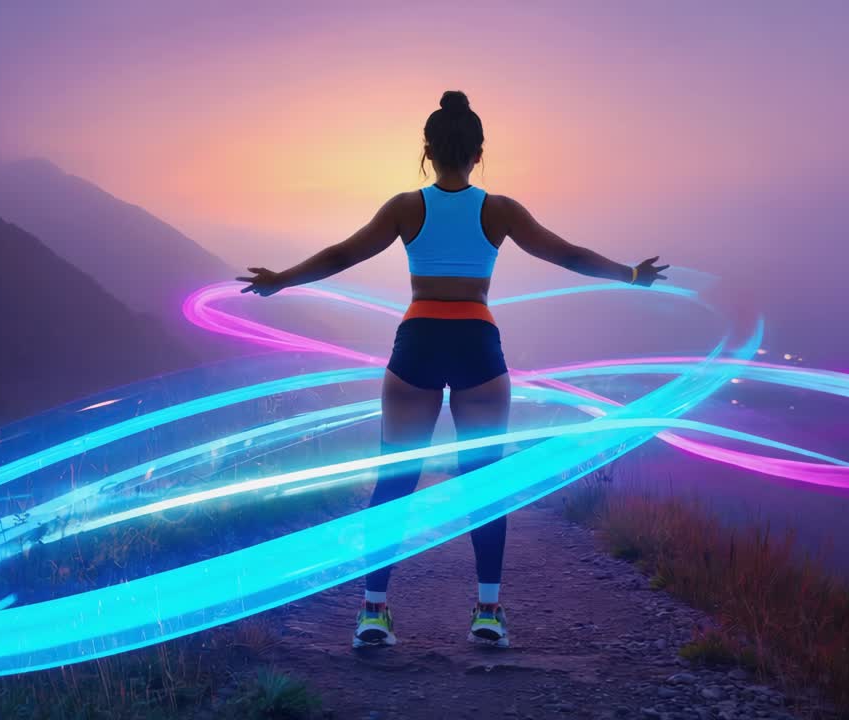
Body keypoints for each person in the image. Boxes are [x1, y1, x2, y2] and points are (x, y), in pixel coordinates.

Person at [237, 90, 668, 649]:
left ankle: (373, 612)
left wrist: (281, 279)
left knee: (394, 480)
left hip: (418, 341)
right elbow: (566, 254)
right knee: (484, 481)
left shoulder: (405, 206)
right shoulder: (499, 210)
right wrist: (631, 274)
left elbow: (343, 254)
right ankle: (487, 613)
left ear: (427, 149)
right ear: (478, 151)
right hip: (476, 343)